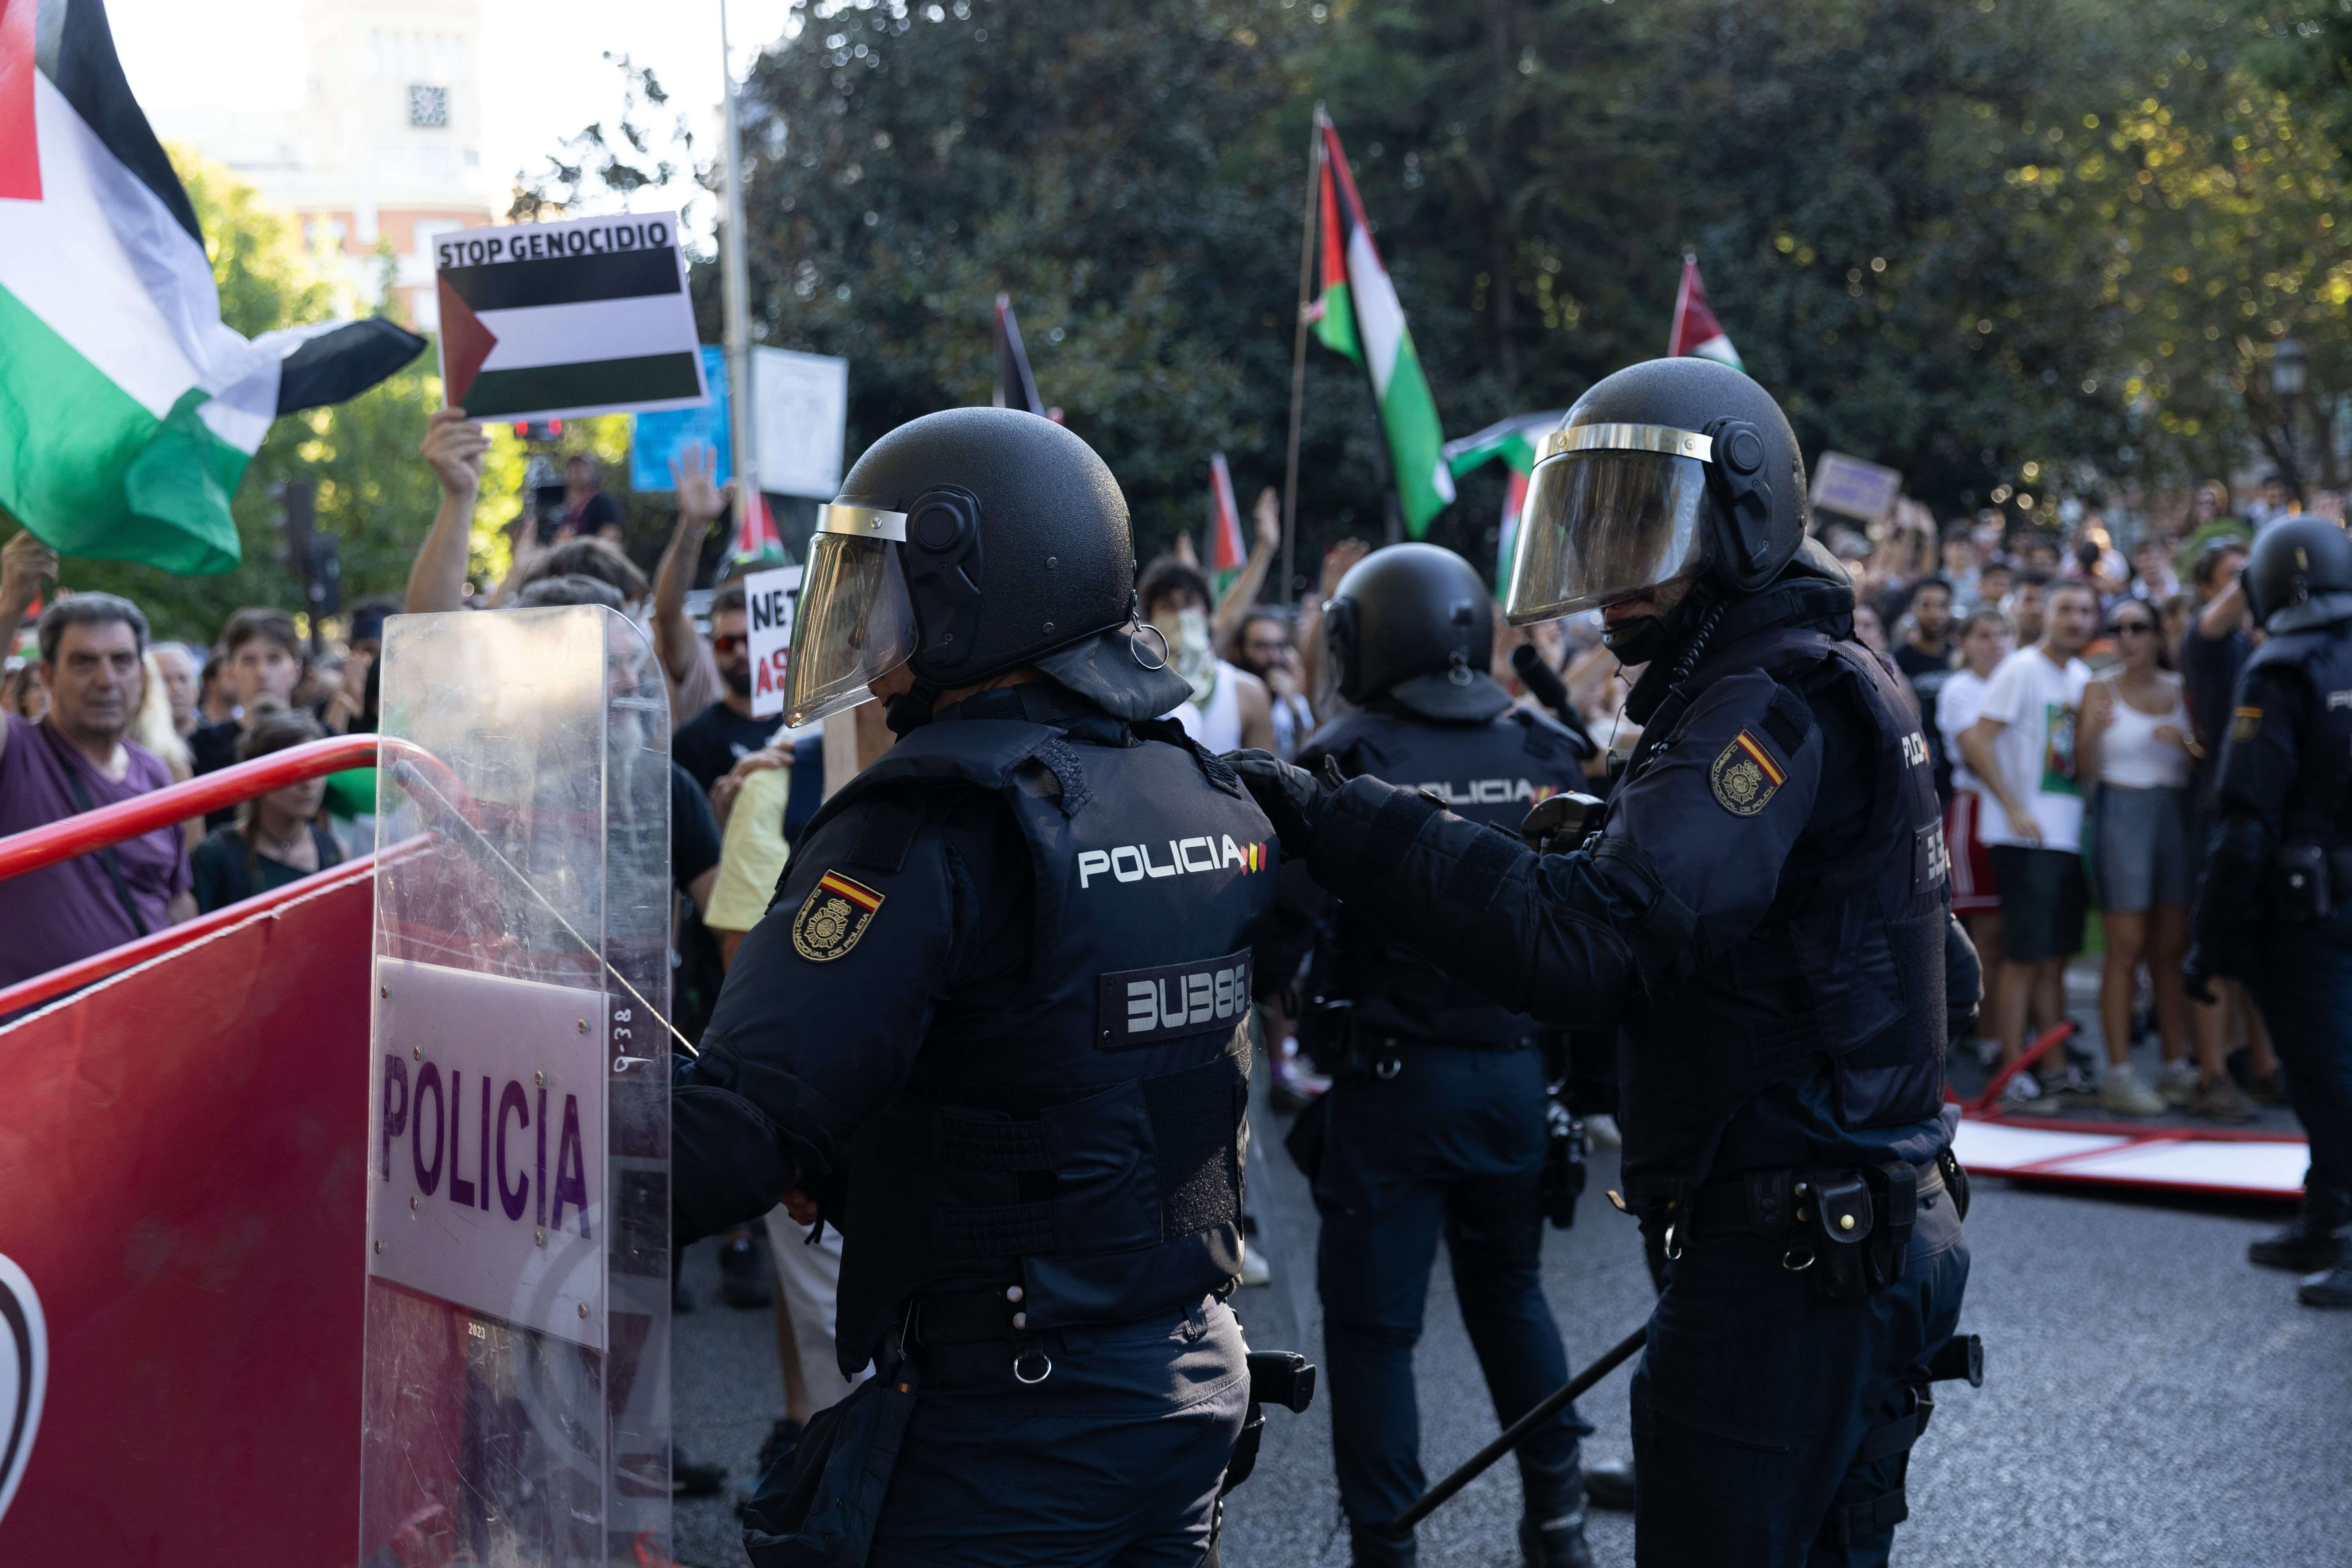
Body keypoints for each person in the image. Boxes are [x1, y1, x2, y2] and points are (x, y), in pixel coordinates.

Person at [1229, 358, 1976, 1566]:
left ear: (1740, 517)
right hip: (1854, 1230)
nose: (1612, 571)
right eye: (1597, 527)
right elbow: (1928, 959)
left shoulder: (1765, 699)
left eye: (1644, 528)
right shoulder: (1817, 669)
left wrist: (1341, 817)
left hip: (1799, 1253)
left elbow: (1591, 940)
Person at [671, 408, 1287, 1564]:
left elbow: (744, 1127)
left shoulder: (929, 821)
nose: (864, 626)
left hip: (1014, 1423)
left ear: (967, 588)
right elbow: (1057, 1063)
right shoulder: (1195, 787)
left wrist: (532, 1144)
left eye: (884, 586)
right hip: (1189, 1369)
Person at [1273, 543, 1597, 1568]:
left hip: (1394, 1084)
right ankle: (1560, 1520)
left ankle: (1388, 1546)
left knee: (1376, 1333)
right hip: (1518, 1077)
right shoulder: (1548, 746)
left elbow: (1283, 925)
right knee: (1513, 1296)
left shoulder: (1345, 751)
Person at [2185, 519, 2352, 1308]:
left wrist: (2212, 940)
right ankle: (2326, 1218)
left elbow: (2247, 816)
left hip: (2308, 912)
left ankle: (2340, 1227)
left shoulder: (2282, 665)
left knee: (2327, 1076)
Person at [0, 542, 194, 988]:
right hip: (42, 1024)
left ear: (141, 676)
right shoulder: (17, 752)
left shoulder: (155, 772)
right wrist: (11, 603)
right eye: (84, 662)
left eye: (121, 661)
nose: (107, 680)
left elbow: (176, 902)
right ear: (47, 676)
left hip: (147, 1011)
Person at [1960, 580, 2104, 1111]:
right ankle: (2010, 1074)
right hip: (2022, 838)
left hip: (2066, 836)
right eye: (2066, 608)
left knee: (2054, 959)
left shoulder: (2083, 678)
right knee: (2022, 958)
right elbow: (1975, 739)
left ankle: (2053, 1067)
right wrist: (2013, 806)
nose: (2075, 619)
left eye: (2085, 610)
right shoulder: (2021, 668)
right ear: (2046, 614)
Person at [2077, 600, 2205, 1114]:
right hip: (2121, 812)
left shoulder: (2180, 688)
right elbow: (2082, 768)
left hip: (2174, 815)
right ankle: (2120, 1072)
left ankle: (2175, 1066)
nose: (2126, 637)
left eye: (2138, 627)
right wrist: (2091, 731)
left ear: (2157, 635)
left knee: (2171, 949)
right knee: (2126, 946)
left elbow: (2203, 763)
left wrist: (2188, 743)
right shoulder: (2098, 688)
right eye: (2118, 628)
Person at [2177, 538, 2283, 1106]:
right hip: (2220, 812)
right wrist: (2270, 560)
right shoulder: (2206, 640)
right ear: (2206, 588)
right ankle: (2212, 1076)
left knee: (2261, 942)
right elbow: (2216, 623)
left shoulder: (2266, 641)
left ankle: (2266, 1067)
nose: (2253, 579)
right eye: (2236, 574)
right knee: (2213, 942)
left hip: (2267, 809)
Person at [1934, 608, 2015, 1060]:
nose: (1996, 642)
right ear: (1965, 643)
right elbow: (1975, 749)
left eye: (2003, 633)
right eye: (1984, 635)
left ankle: (2015, 1034)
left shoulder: (2019, 681)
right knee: (1987, 935)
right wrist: (2014, 801)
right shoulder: (1959, 688)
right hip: (1978, 810)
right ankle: (1989, 1041)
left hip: (2019, 812)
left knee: (2017, 936)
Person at [189, 706, 345, 912]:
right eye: (295, 770)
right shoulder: (216, 855)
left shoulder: (334, 851)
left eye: (319, 768)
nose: (309, 783)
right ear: (260, 776)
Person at [1140, 555, 1276, 753]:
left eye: (1189, 602)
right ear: (1150, 619)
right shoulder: (1139, 695)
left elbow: (1262, 772)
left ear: (1208, 613)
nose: (1181, 615)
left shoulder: (1249, 693)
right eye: (1167, 606)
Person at [671, 580, 780, 793]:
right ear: (715, 651)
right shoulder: (693, 741)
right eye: (727, 644)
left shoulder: (802, 725)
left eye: (749, 639)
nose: (740, 652)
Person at [1233, 606, 1316, 762]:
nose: (1273, 656)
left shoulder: (1294, 700)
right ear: (1239, 651)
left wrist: (1293, 706)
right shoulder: (1230, 696)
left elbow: (1307, 753)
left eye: (1279, 646)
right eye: (1261, 647)